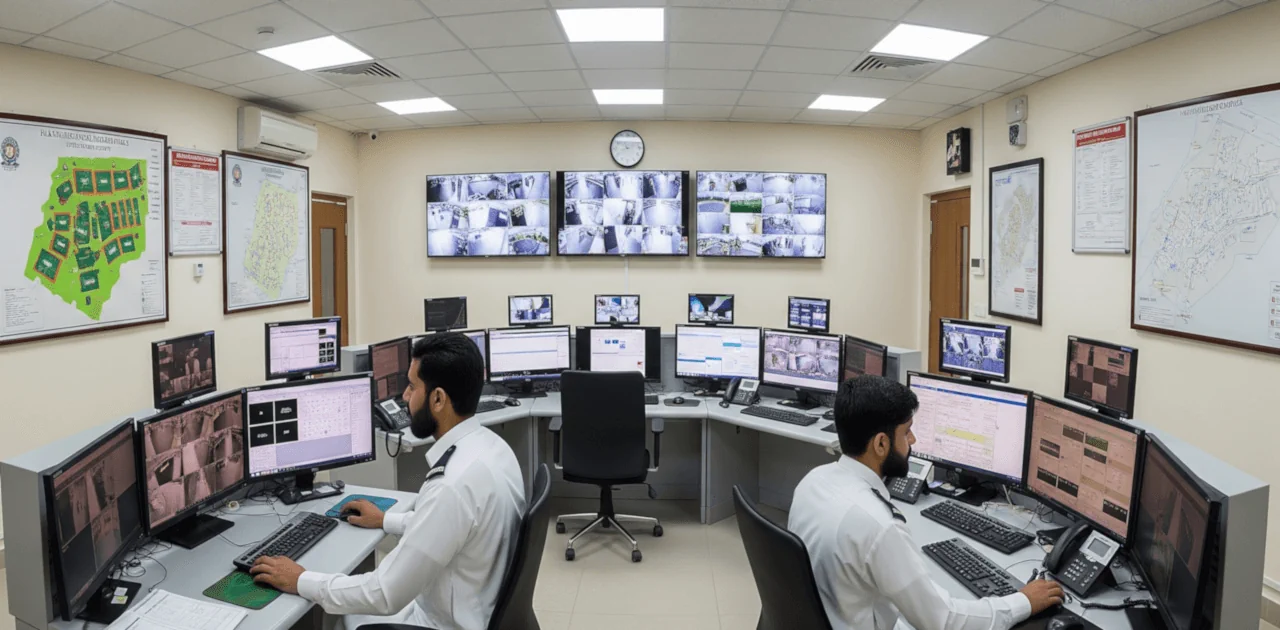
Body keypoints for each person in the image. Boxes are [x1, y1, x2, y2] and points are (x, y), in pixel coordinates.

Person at [251, 333, 526, 630]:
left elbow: (384, 594)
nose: (405, 398)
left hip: (444, 623)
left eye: (411, 386)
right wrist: (387, 520)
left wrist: (301, 580)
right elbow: (451, 527)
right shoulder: (493, 448)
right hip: (473, 606)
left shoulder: (452, 486)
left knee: (342, 616)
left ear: (437, 399)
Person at [788, 375, 1063, 630]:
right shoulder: (878, 526)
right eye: (906, 432)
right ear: (881, 444)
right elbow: (942, 621)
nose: (913, 440)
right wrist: (1023, 601)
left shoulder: (812, 482)